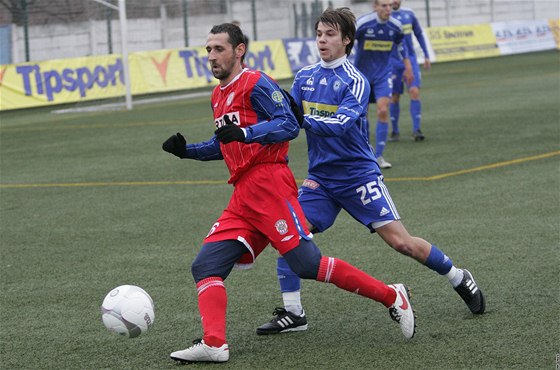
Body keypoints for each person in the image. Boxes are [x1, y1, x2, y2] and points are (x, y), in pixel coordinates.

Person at [162, 22, 415, 364]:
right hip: (243, 195)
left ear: (239, 50)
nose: (211, 56)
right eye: (208, 49)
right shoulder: (218, 94)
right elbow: (225, 143)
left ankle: (391, 296)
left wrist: (247, 133)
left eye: (219, 48)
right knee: (206, 265)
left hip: (270, 185)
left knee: (307, 264)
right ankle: (214, 343)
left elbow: (288, 124)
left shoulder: (256, 83)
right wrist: (188, 151)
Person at [256, 7, 485, 336]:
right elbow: (287, 121)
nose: (322, 39)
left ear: (347, 40)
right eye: (319, 33)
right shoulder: (304, 77)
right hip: (321, 179)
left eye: (330, 34)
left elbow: (339, 125)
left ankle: (458, 276)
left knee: (402, 243)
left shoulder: (355, 80)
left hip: (358, 177)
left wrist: (299, 119)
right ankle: (294, 313)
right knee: (290, 234)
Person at [354, 0, 413, 169]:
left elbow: (402, 47)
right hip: (362, 75)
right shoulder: (364, 23)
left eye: (389, 5)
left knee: (382, 109)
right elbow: (348, 42)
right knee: (362, 116)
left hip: (383, 75)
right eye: (384, 5)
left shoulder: (396, 26)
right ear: (375, 7)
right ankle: (364, 153)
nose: (388, 9)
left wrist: (408, 67)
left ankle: (378, 156)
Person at [388, 0, 431, 142]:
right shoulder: (384, 15)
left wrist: (426, 55)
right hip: (392, 62)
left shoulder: (409, 14)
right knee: (394, 96)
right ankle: (395, 131)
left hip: (410, 60)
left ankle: (417, 130)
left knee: (414, 92)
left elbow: (419, 34)